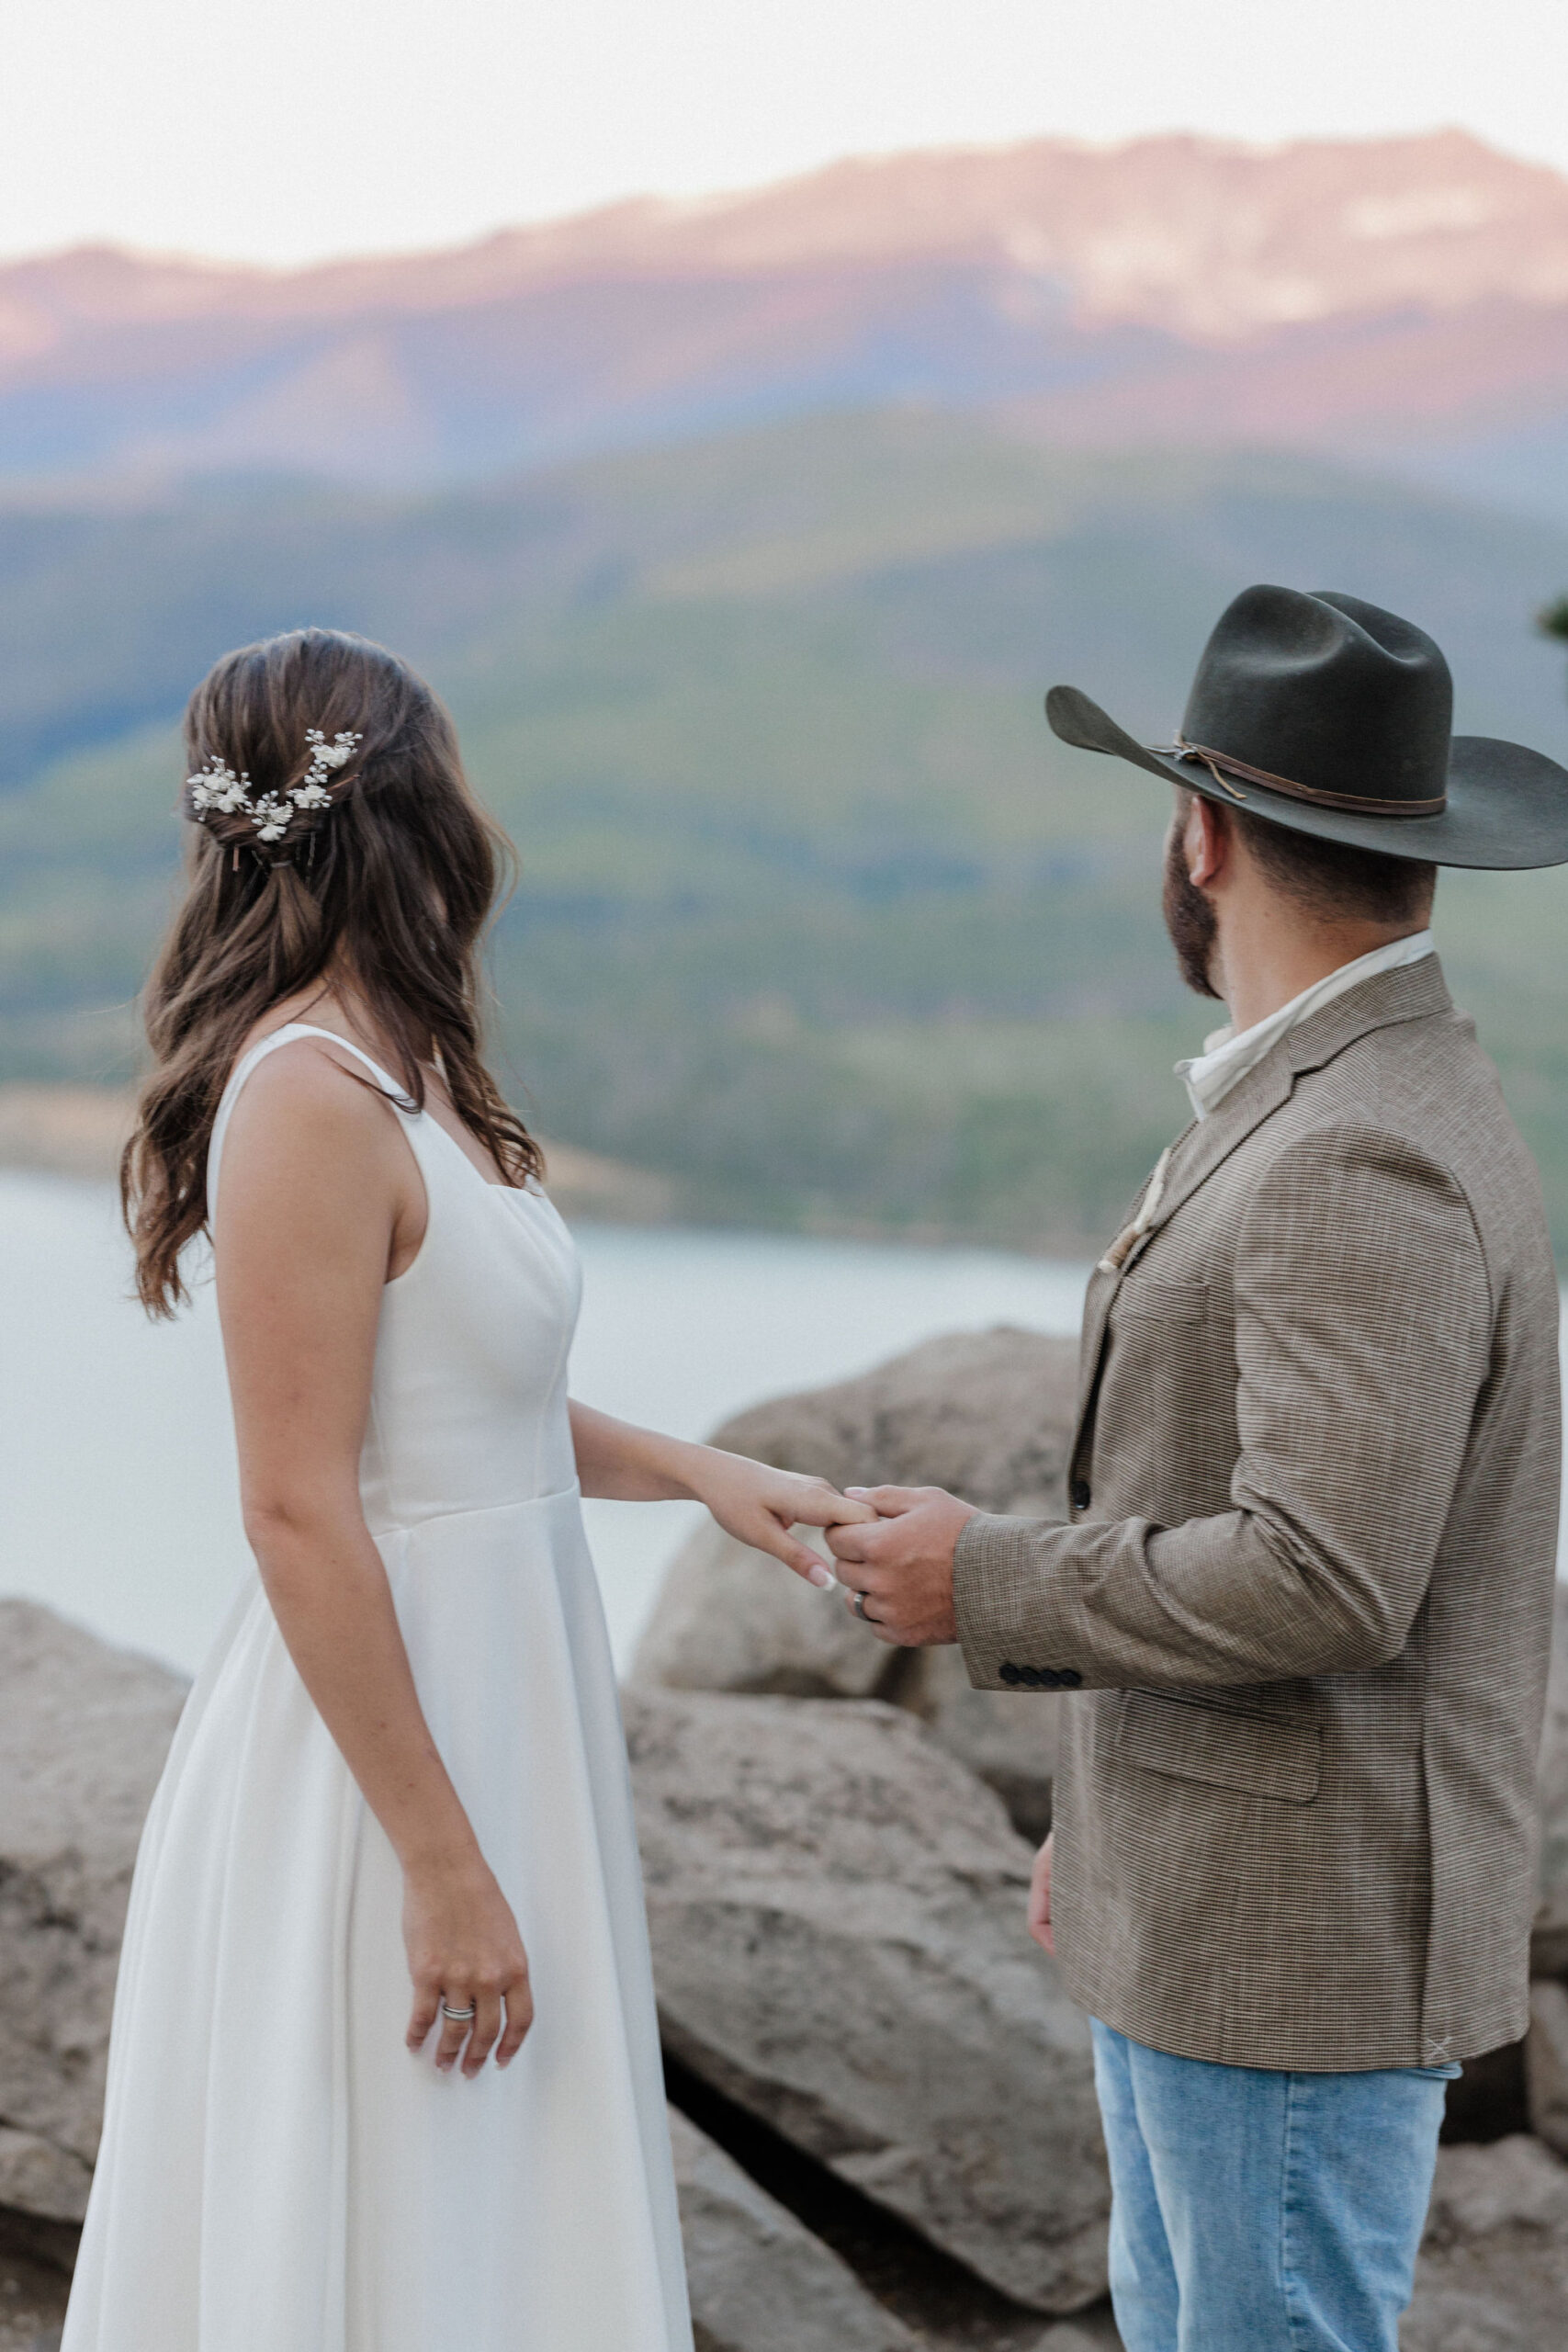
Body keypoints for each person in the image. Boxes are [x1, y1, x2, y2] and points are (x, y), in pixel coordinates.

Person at [63, 627, 872, 2352]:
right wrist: (440, 1864)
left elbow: (465, 1410)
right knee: (406, 2199)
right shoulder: (303, 1098)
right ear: (410, 809)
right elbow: (295, 1502)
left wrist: (701, 1472)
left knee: (501, 2210)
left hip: (503, 1703)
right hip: (386, 1750)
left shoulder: (404, 1071)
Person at [824, 585, 1568, 2352]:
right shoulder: (1312, 1090)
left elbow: (1326, 1577)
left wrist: (980, 1579)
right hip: (1210, 1908)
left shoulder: (1359, 1147)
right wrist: (1111, 1806)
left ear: (1203, 832)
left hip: (1295, 1962)